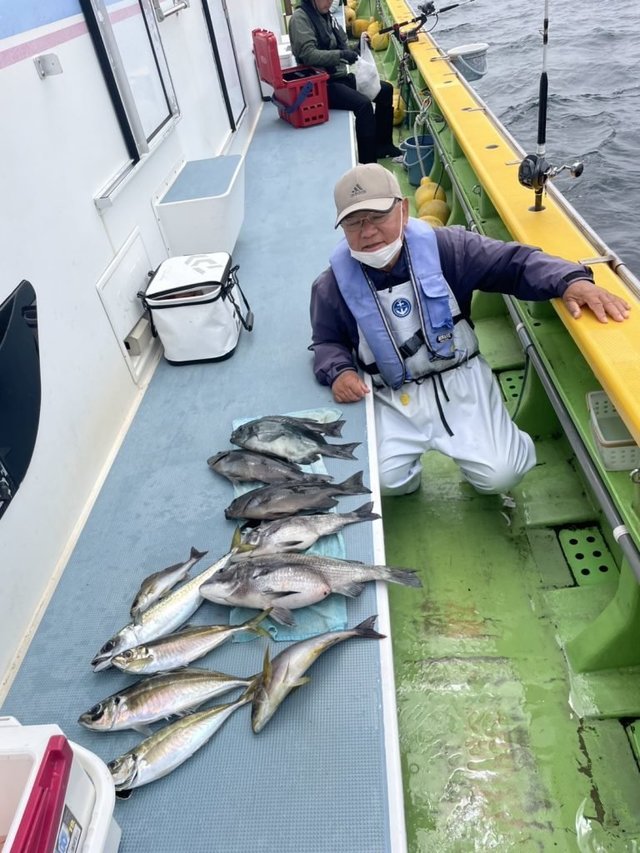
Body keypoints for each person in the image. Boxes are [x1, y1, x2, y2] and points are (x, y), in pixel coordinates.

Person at [309, 163, 632, 497]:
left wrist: (569, 281)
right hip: (392, 392)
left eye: (378, 216)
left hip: (460, 378)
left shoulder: (449, 249)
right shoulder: (330, 286)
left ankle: (498, 441)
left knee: (502, 475)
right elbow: (327, 341)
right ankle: (408, 477)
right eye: (353, 222)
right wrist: (339, 371)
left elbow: (513, 263)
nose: (367, 232)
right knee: (384, 482)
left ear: (403, 210)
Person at [288, 0, 402, 164]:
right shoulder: (300, 19)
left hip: (338, 77)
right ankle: (368, 162)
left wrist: (358, 47)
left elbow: (342, 47)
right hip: (321, 86)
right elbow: (308, 54)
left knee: (385, 90)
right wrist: (341, 55)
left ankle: (382, 145)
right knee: (363, 105)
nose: (329, 2)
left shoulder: (325, 15)